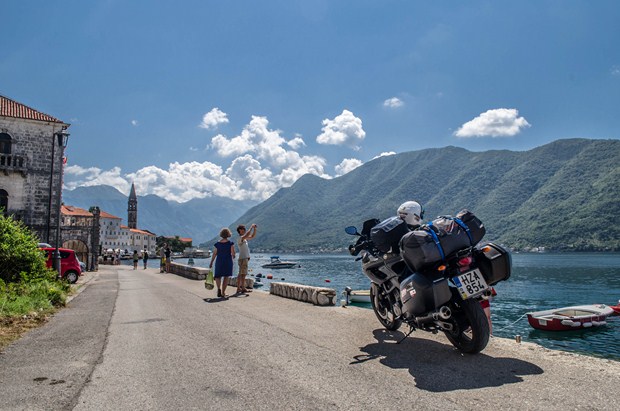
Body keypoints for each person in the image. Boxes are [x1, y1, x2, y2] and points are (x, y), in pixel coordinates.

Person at [209, 228, 235, 299]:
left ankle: (218, 289)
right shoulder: (230, 243)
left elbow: (214, 254)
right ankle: (223, 292)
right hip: (228, 261)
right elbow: (233, 253)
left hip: (219, 261)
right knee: (226, 277)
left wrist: (211, 262)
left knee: (218, 276)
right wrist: (234, 256)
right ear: (228, 234)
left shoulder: (217, 244)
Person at [236, 223, 257, 294]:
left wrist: (255, 229)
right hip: (243, 258)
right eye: (243, 229)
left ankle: (239, 288)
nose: (244, 230)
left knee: (241, 273)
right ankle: (242, 288)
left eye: (245, 229)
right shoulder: (240, 238)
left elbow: (252, 236)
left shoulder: (244, 239)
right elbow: (247, 235)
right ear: (240, 230)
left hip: (244, 258)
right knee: (243, 274)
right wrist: (251, 227)